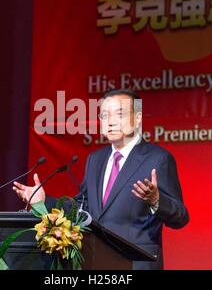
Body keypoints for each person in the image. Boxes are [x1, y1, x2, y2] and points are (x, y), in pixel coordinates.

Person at [13, 89, 189, 269]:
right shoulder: (95, 160)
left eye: (119, 114)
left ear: (137, 118)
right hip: (96, 264)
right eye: (105, 115)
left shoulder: (158, 159)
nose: (110, 122)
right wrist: (45, 200)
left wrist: (156, 201)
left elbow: (181, 217)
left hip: (136, 265)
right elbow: (83, 207)